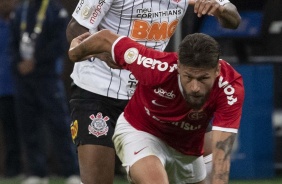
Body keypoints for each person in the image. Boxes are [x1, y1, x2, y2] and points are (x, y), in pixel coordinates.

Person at [66, 0, 241, 183]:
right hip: (97, 90)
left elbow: (233, 19)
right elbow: (75, 28)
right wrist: (102, 53)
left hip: (152, 91)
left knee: (209, 163)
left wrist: (221, 9)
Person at [9, 0, 80, 183]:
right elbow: (12, 42)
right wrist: (19, 62)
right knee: (28, 126)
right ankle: (36, 173)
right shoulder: (20, 11)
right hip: (24, 79)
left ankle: (71, 172)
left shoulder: (55, 11)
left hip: (47, 77)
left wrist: (36, 61)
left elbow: (59, 43)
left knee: (59, 125)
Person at [0, 0, 22, 178]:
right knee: (9, 131)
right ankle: (12, 170)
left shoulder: (24, 21)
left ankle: (35, 169)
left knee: (29, 129)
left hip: (25, 86)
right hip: (4, 87)